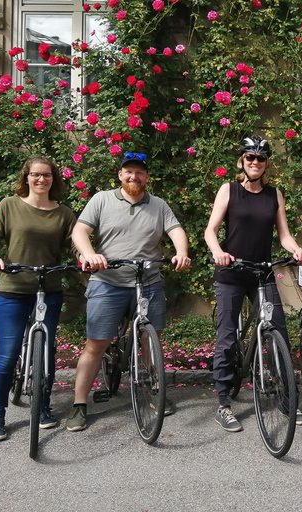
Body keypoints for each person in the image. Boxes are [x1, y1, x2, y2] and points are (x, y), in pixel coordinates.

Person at [67, 152, 191, 432]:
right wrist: (90, 254)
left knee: (151, 339)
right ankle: (79, 404)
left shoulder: (158, 205)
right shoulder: (101, 199)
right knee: (96, 345)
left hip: (148, 281)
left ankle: (153, 388)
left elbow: (176, 231)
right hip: (107, 281)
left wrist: (181, 252)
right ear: (120, 175)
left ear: (147, 177)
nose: (133, 177)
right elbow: (80, 231)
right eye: (128, 172)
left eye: (139, 173)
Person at [205, 136, 302, 432]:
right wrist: (218, 252)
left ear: (266, 164)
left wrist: (296, 250)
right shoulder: (229, 190)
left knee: (278, 330)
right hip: (232, 273)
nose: (255, 162)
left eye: (261, 158)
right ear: (242, 160)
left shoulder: (274, 194)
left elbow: (284, 235)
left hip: (262, 273)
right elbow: (211, 230)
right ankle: (224, 403)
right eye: (250, 157)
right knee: (227, 337)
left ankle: (286, 400)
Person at [0, 156, 76, 441]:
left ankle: (43, 406)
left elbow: (75, 245)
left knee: (46, 352)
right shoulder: (9, 205)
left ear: (53, 179)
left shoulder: (63, 213)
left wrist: (84, 258)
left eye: (47, 175)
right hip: (13, 289)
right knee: (8, 355)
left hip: (49, 290)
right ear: (27, 177)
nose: (41, 180)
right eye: (36, 175)